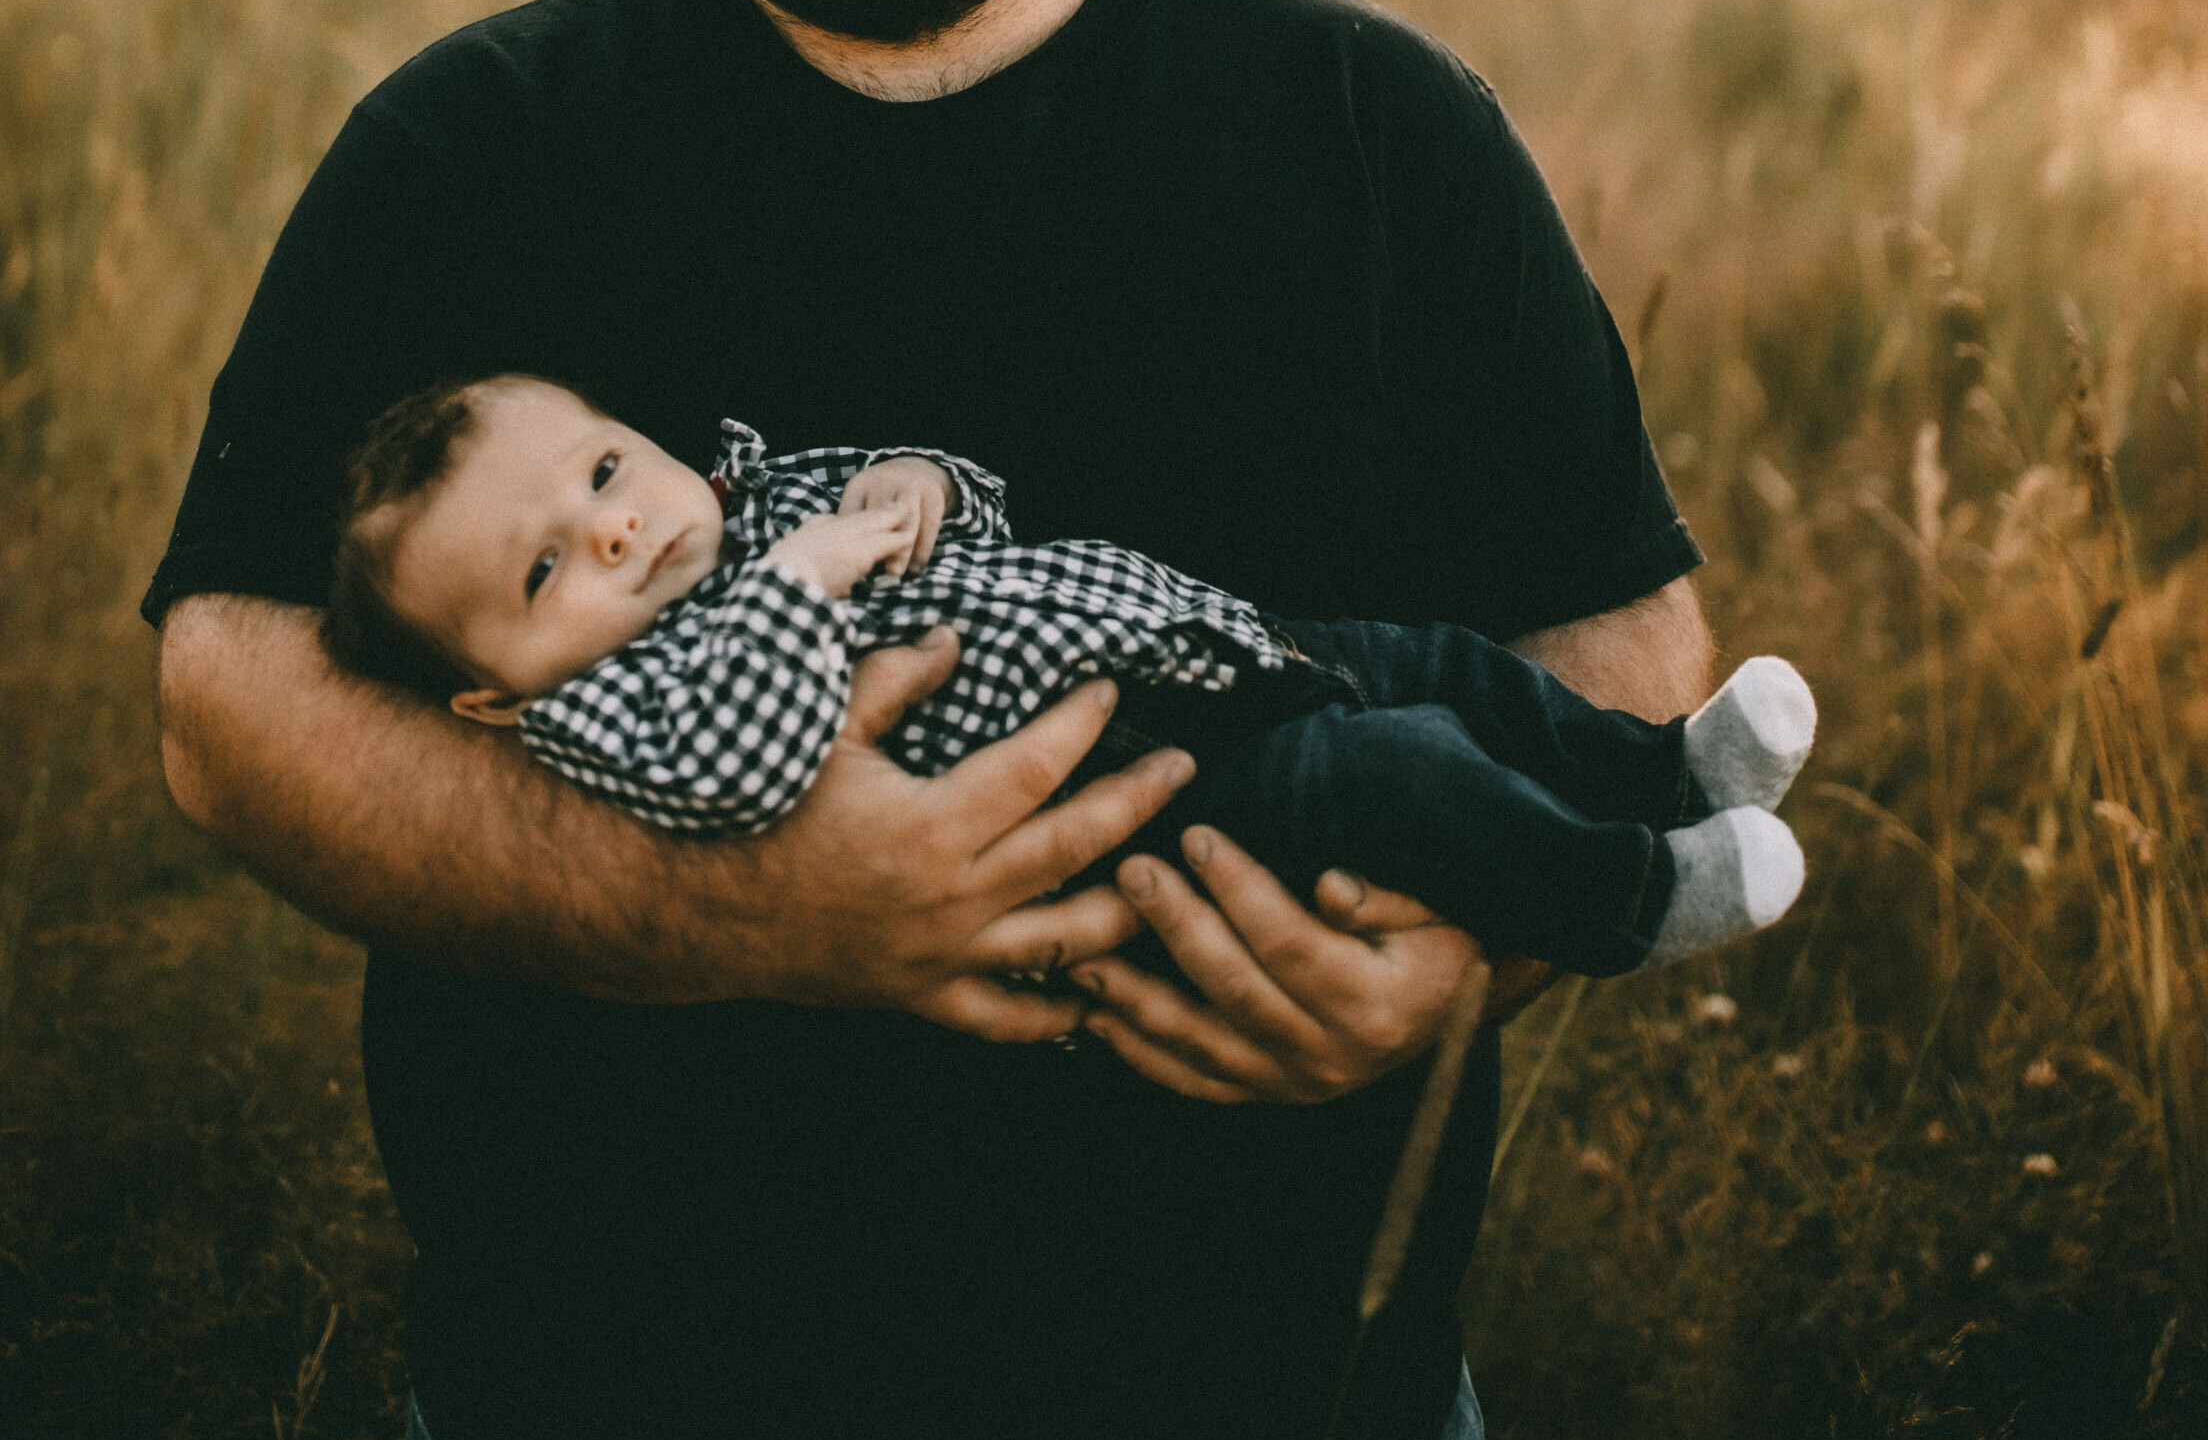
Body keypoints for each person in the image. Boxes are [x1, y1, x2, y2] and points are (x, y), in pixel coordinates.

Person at [147, 0, 1718, 1440]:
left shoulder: (1375, 128)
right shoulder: (470, 154)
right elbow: (227, 705)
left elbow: (1630, 649)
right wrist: (733, 915)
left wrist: (1481, 950)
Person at [324, 383, 1812, 980]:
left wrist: (919, 490)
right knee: (1402, 772)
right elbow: (750, 759)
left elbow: (970, 506)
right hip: (1153, 784)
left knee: (1443, 669)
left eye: (602, 468)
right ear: (497, 699)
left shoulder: (759, 496)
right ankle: (1631, 894)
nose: (617, 525)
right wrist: (807, 577)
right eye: (543, 573)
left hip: (1209, 638)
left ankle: (1664, 766)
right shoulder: (618, 711)